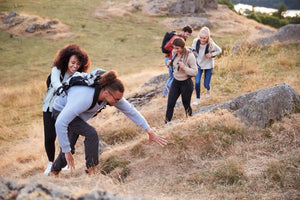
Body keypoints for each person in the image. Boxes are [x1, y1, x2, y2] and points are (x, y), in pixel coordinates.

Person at [50, 70, 168, 175]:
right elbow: (60, 123)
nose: (118, 102)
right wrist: (66, 150)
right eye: (116, 99)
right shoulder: (85, 98)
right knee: (89, 135)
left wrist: (149, 130)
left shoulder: (110, 95)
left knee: (70, 149)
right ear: (106, 93)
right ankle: (92, 171)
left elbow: (130, 110)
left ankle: (54, 172)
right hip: (60, 111)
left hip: (76, 116)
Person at [42, 44, 90, 175]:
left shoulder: (79, 76)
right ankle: (50, 163)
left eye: (78, 64)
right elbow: (55, 81)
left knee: (65, 138)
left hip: (65, 110)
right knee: (49, 138)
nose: (75, 66)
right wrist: (61, 89)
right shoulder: (57, 69)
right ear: (67, 60)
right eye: (73, 62)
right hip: (49, 108)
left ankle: (61, 163)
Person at [165, 37, 198, 123]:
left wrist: (185, 68)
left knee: (186, 105)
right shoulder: (174, 52)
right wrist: (170, 64)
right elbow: (176, 65)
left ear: (183, 47)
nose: (175, 50)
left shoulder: (190, 56)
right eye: (174, 48)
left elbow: (195, 72)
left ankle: (190, 121)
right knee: (170, 104)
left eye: (177, 48)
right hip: (176, 82)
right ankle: (166, 124)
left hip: (186, 83)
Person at [191, 26, 222, 106]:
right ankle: (198, 99)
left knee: (206, 84)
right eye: (201, 37)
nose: (202, 40)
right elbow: (193, 50)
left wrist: (212, 54)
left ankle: (208, 89)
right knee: (197, 82)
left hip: (208, 65)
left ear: (208, 37)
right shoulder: (195, 41)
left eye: (204, 38)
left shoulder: (211, 43)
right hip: (198, 65)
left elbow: (219, 50)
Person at [162, 25, 193, 97]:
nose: (188, 36)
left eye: (189, 35)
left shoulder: (182, 39)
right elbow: (166, 47)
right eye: (187, 34)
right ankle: (168, 92)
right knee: (174, 77)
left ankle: (164, 95)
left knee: (171, 77)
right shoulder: (176, 38)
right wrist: (175, 50)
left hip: (171, 59)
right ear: (183, 32)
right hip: (170, 60)